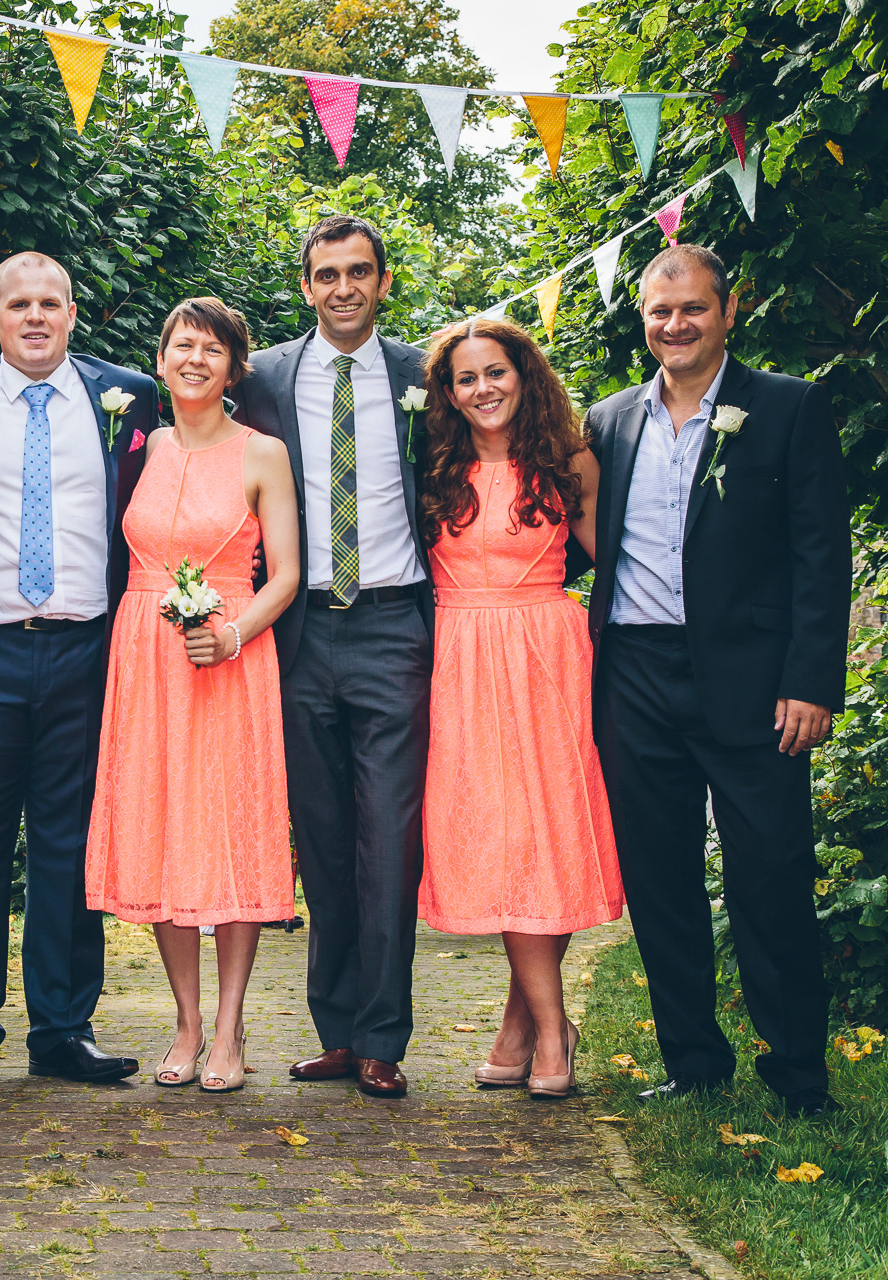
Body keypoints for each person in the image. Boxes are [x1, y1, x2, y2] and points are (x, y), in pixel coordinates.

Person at [585, 245, 849, 1118]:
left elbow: (821, 554)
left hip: (754, 682)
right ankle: (694, 1061)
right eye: (660, 312)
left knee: (769, 876)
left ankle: (798, 1074)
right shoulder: (612, 419)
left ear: (729, 311)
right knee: (660, 881)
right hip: (635, 675)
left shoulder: (787, 407)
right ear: (644, 321)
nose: (676, 325)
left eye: (693, 308)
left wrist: (810, 681)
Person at [0, 252, 156, 1090]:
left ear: (73, 312)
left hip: (87, 650)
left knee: (69, 844)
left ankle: (63, 1027)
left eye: (51, 303)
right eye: (20, 305)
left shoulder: (126, 397)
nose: (36, 317)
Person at [231, 215, 432, 1098]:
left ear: (383, 282)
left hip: (394, 624)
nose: (343, 288)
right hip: (297, 629)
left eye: (359, 273)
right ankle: (338, 1031)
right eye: (326, 275)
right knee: (320, 839)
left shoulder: (425, 372)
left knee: (387, 835)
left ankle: (384, 1036)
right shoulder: (266, 378)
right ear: (306, 287)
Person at [85, 298, 301, 1093]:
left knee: (232, 832)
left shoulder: (262, 454)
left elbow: (286, 573)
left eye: (213, 349)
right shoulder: (140, 446)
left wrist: (235, 633)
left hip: (232, 656)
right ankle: (186, 1021)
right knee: (163, 831)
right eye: (183, 346)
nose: (196, 359)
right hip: (144, 658)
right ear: (163, 358)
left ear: (234, 366)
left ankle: (233, 1027)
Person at [414, 316, 623, 1100]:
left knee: (548, 838)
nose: (482, 390)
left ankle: (543, 1029)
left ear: (524, 375)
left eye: (495, 372)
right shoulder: (436, 465)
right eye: (466, 378)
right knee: (501, 842)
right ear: (449, 393)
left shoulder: (570, 462)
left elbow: (618, 561)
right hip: (461, 661)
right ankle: (536, 1021)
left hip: (549, 656)